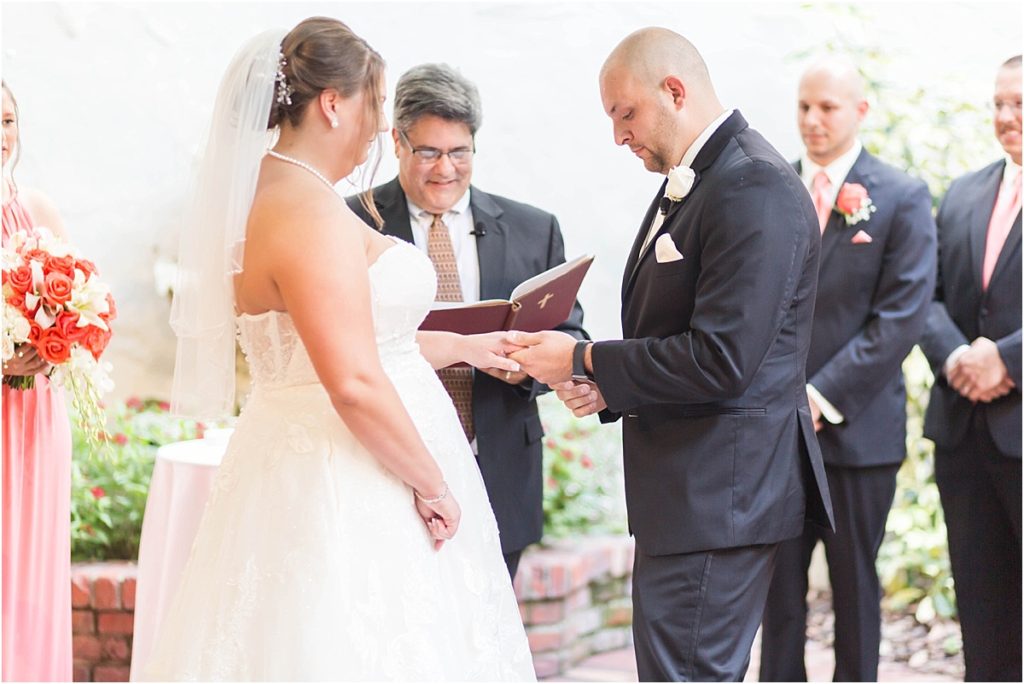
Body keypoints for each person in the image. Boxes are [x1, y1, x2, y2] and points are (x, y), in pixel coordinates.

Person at [140, 18, 534, 680]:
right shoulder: (307, 214)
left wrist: (468, 342)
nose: (381, 126)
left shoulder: (273, 193)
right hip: (349, 478)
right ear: (332, 103)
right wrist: (433, 483)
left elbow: (356, 340)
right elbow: (352, 378)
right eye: (375, 102)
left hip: (304, 457)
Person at [509, 27, 833, 681]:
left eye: (623, 113)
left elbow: (722, 360)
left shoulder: (752, 186)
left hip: (719, 496)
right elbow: (683, 332)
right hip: (693, 495)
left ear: (675, 90)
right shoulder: (704, 178)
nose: (618, 136)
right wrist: (604, 385)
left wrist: (584, 361)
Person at [346, 63, 588, 582]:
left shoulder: (533, 229)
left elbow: (570, 335)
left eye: (460, 152)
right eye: (429, 152)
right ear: (397, 141)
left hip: (499, 467)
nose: (445, 169)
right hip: (386, 466)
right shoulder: (351, 222)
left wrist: (529, 367)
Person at [758, 58, 937, 682]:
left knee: (855, 584)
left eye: (827, 107)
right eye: (804, 106)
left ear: (860, 111)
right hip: (774, 431)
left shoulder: (902, 197)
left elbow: (900, 319)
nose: (812, 120)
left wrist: (819, 394)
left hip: (856, 432)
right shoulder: (768, 185)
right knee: (776, 590)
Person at [920, 54, 1021, 682]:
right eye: (999, 103)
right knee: (982, 616)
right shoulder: (963, 192)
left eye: (1021, 104)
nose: (1006, 117)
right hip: (964, 439)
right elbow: (922, 297)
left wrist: (1007, 359)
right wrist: (958, 355)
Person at [1, 79, 74, 682]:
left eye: (6, 121)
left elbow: (83, 313)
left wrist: (54, 348)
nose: (2, 137)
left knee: (29, 562)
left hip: (33, 417)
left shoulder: (39, 210)